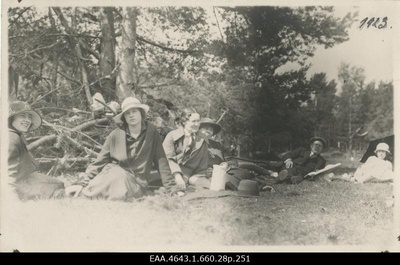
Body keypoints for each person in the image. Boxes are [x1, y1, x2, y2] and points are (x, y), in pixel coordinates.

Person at [74, 97, 184, 200]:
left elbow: (161, 161)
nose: (131, 115)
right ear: (124, 117)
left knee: (122, 183)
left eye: (134, 111)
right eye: (127, 113)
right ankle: (81, 192)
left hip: (136, 182)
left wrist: (172, 189)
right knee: (116, 175)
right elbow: (99, 162)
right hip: (114, 174)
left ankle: (88, 194)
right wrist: (82, 182)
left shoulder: (152, 132)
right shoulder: (115, 135)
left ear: (141, 113)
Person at [8, 100, 82, 201]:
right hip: (18, 185)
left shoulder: (14, 135)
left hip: (24, 179)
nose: (27, 120)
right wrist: (12, 200)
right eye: (22, 116)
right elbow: (7, 174)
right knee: (58, 188)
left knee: (58, 184)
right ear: (11, 118)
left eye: (29, 117)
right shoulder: (12, 137)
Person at [198, 117, 254, 190]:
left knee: (243, 172)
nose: (209, 131)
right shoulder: (192, 144)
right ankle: (243, 186)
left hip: (223, 172)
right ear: (198, 129)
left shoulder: (217, 145)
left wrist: (226, 164)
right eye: (206, 128)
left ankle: (247, 185)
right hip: (204, 174)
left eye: (211, 129)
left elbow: (232, 160)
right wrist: (204, 171)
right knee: (224, 180)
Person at [162, 108, 209, 189]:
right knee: (176, 190)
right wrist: (178, 177)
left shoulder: (202, 139)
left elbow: (203, 164)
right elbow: (167, 159)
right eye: (194, 121)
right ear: (184, 122)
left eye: (198, 121)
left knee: (210, 187)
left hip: (190, 175)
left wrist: (197, 177)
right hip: (170, 172)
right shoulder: (172, 135)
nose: (197, 124)